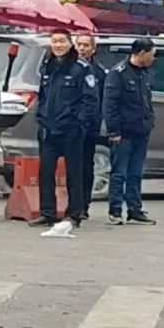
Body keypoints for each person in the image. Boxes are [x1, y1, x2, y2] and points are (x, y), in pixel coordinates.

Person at [32, 29, 97, 228]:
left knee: (74, 174)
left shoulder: (81, 68)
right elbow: (43, 97)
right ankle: (47, 213)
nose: (58, 45)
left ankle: (74, 214)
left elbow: (90, 100)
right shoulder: (48, 67)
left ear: (70, 44)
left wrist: (79, 124)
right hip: (49, 129)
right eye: (54, 41)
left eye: (62, 41)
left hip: (71, 130)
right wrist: (41, 117)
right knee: (45, 173)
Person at [103, 38, 157, 226]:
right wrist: (113, 131)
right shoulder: (118, 74)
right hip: (123, 133)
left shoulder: (143, 73)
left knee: (136, 173)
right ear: (141, 53)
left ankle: (134, 209)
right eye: (152, 53)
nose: (153, 57)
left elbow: (146, 100)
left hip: (141, 131)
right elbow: (110, 105)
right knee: (119, 173)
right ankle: (115, 210)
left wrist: (150, 120)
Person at [74, 33, 106, 219]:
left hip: (89, 128)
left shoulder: (98, 72)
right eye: (80, 44)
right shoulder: (69, 68)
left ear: (93, 49)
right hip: (69, 126)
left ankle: (83, 205)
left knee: (86, 167)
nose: (82, 48)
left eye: (86, 45)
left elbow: (100, 100)